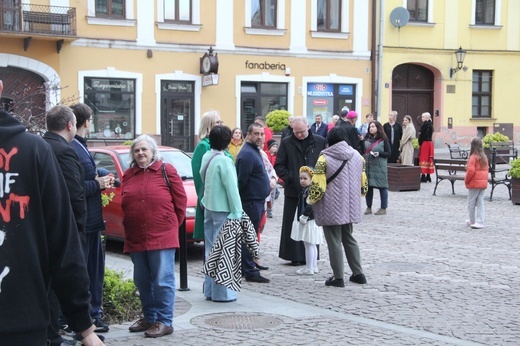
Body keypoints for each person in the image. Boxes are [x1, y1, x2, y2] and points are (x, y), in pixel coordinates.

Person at [0, 80, 104, 346]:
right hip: (23, 321)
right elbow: (63, 240)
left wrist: (84, 325)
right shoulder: (35, 150)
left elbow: (61, 239)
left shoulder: (35, 150)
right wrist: (84, 327)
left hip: (23, 323)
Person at [122, 135, 186, 337]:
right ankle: (149, 317)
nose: (140, 153)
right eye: (137, 150)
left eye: (144, 149)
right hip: (136, 235)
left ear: (152, 152)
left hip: (161, 235)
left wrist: (170, 224)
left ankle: (165, 321)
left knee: (162, 280)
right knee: (142, 280)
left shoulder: (166, 171)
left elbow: (181, 202)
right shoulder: (129, 174)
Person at [43, 105, 88, 345]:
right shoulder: (64, 151)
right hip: (65, 228)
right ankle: (54, 335)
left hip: (44, 229)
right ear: (70, 125)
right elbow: (74, 195)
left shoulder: (40, 146)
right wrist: (78, 228)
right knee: (59, 282)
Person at [70, 103, 114, 333]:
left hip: (89, 221)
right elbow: (74, 187)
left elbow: (87, 172)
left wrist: (103, 175)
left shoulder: (79, 146)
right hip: (86, 222)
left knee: (90, 271)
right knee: (88, 272)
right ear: (87, 122)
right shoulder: (74, 147)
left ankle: (92, 315)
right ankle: (90, 317)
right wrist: (97, 184)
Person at [309, 126, 367, 287]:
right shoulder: (357, 156)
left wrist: (311, 200)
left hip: (331, 205)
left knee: (334, 240)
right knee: (349, 238)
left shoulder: (324, 158)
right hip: (350, 205)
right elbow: (364, 184)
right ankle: (358, 273)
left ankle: (338, 277)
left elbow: (318, 186)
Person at [274, 116, 327, 264]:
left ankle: (310, 258)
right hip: (293, 191)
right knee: (292, 224)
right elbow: (279, 165)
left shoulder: (319, 141)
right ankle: (294, 256)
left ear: (308, 127)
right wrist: (291, 178)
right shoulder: (286, 142)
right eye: (296, 132)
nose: (299, 135)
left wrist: (317, 182)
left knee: (311, 225)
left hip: (313, 192)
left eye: (302, 132)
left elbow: (325, 164)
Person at [201, 126, 244, 300]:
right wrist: (238, 211)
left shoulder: (207, 156)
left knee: (210, 250)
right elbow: (232, 189)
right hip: (224, 209)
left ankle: (210, 291)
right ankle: (223, 294)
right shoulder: (225, 160)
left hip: (208, 206)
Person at [236, 123, 271, 283]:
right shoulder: (248, 154)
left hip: (256, 201)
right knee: (248, 237)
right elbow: (241, 180)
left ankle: (248, 268)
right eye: (256, 134)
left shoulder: (254, 151)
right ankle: (249, 270)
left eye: (261, 134)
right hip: (250, 202)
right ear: (248, 135)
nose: (259, 137)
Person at [191, 110, 226, 241]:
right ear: (208, 125)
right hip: (212, 199)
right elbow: (201, 175)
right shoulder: (204, 146)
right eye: (217, 122)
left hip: (221, 198)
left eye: (221, 122)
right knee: (213, 239)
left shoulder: (220, 145)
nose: (221, 124)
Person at [290, 166, 322, 275]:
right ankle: (313, 266)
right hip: (310, 219)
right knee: (311, 244)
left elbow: (310, 204)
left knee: (309, 244)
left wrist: (305, 215)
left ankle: (310, 267)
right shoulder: (307, 189)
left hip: (309, 220)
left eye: (305, 178)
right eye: (301, 178)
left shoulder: (310, 191)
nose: (302, 181)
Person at [363, 121, 391, 215]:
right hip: (368, 166)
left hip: (379, 167)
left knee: (382, 187)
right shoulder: (367, 138)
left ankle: (383, 207)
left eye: (373, 126)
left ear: (378, 128)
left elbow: (389, 153)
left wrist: (379, 154)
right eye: (370, 127)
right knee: (369, 187)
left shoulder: (383, 140)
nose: (371, 128)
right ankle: (368, 207)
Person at [464, 137, 489, 229]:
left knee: (471, 202)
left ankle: (472, 220)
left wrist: (466, 180)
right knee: (480, 202)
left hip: (474, 183)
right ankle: (480, 221)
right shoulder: (484, 157)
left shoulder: (473, 157)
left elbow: (471, 171)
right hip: (482, 184)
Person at [418, 112, 434, 182]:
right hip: (430, 143)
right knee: (429, 159)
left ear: (427, 117)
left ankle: (423, 175)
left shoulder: (424, 125)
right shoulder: (431, 124)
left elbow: (422, 135)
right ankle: (428, 175)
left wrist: (419, 143)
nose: (422, 118)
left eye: (423, 117)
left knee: (423, 158)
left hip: (425, 143)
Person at [265, 139, 279, 218]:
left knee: (272, 195)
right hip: (266, 177)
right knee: (267, 194)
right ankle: (267, 208)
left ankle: (270, 209)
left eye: (276, 147)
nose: (274, 148)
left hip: (274, 178)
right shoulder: (265, 155)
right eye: (273, 146)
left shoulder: (277, 157)